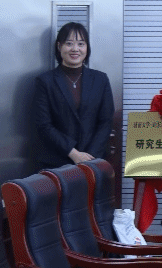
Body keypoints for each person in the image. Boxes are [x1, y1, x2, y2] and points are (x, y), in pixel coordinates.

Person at [33, 21, 115, 169]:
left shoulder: (100, 79)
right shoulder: (45, 81)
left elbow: (106, 121)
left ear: (87, 48)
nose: (75, 49)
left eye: (81, 44)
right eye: (69, 43)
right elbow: (44, 125)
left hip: (93, 162)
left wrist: (89, 157)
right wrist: (73, 153)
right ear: (59, 46)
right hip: (56, 163)